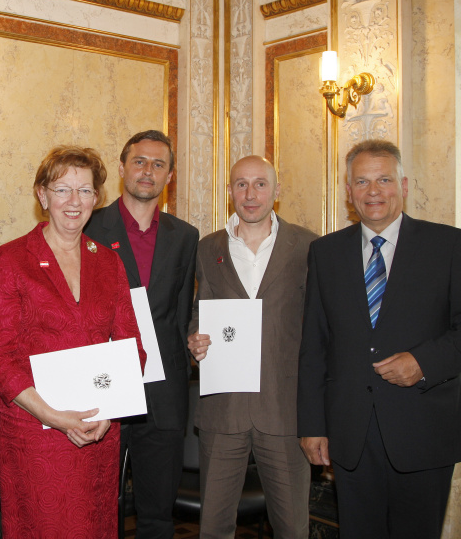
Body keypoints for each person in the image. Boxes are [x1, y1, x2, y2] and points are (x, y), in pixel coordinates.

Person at [298, 139, 461, 539]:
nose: (373, 191)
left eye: (384, 179)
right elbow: (314, 346)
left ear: (403, 185)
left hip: (423, 429)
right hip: (350, 433)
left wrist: (424, 362)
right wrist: (311, 424)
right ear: (349, 191)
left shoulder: (449, 246)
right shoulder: (324, 252)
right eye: (362, 182)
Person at [0, 145, 146, 537]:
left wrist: (108, 411)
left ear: (97, 198)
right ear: (42, 195)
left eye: (85, 191)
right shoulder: (11, 259)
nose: (75, 202)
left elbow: (132, 346)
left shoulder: (110, 262)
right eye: (62, 190)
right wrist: (52, 416)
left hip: (97, 432)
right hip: (35, 435)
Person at [188, 155, 316, 539]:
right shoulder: (208, 247)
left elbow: (320, 328)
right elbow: (199, 313)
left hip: (285, 409)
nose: (250, 193)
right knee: (213, 526)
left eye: (260, 183)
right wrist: (195, 341)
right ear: (229, 192)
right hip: (223, 410)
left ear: (277, 191)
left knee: (292, 527)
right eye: (241, 184)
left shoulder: (309, 246)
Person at [85, 130, 198, 538]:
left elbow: (184, 312)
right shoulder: (90, 227)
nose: (147, 171)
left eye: (158, 164)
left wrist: (195, 341)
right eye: (139, 161)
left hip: (163, 395)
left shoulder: (185, 237)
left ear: (170, 175)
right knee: (96, 510)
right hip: (102, 389)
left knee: (156, 515)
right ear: (121, 169)